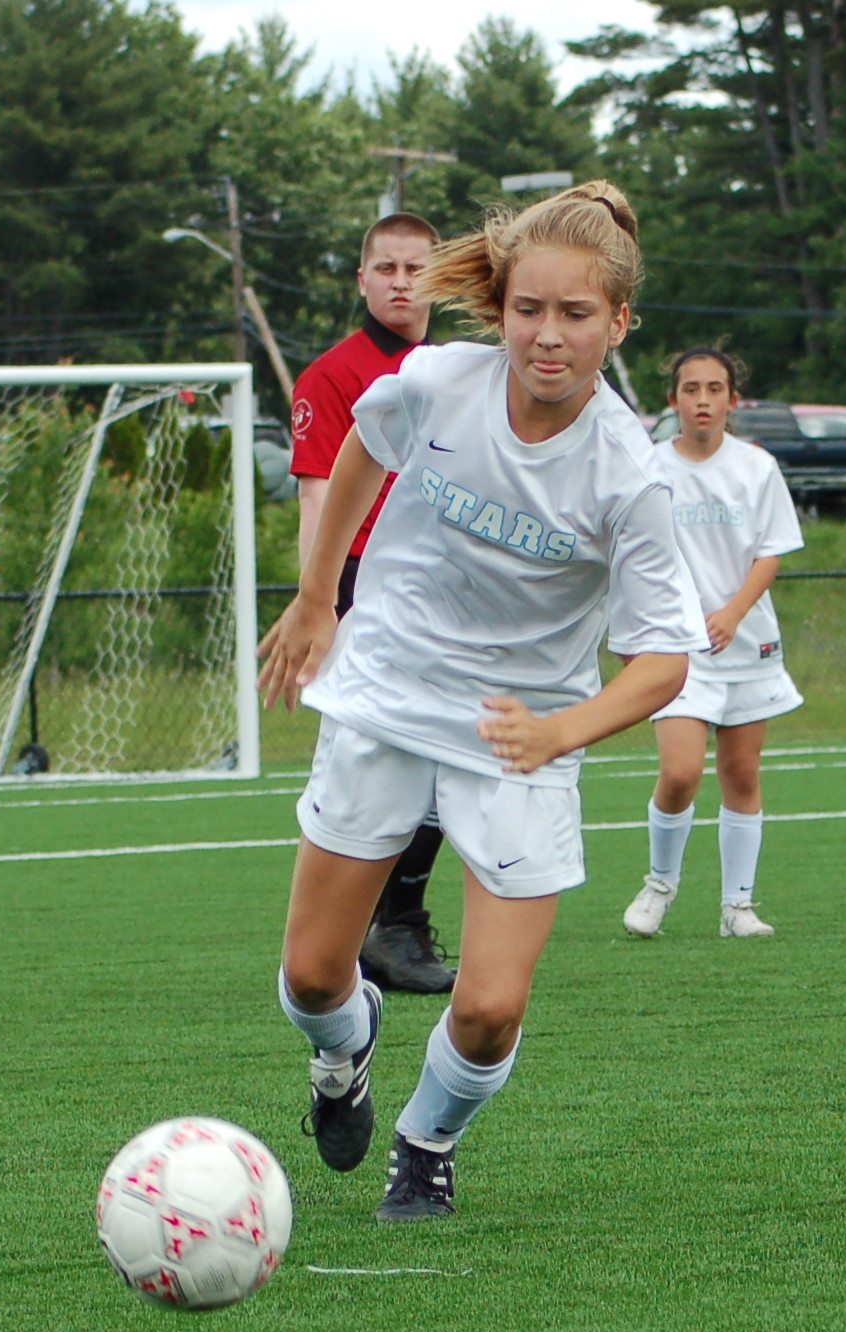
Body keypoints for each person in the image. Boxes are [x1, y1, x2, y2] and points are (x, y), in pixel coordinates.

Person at [259, 181, 702, 1220]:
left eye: (576, 314)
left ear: (618, 324)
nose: (547, 335)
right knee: (315, 977)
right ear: (499, 309)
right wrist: (318, 598)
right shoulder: (436, 382)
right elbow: (362, 445)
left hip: (518, 735)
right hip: (388, 690)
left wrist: (560, 731)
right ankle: (343, 1053)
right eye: (527, 309)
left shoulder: (629, 476)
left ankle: (426, 1142)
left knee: (492, 1006)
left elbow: (662, 662)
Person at [291, 210, 456, 994]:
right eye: (386, 268)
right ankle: (350, 932)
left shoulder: (460, 372)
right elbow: (317, 496)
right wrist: (317, 605)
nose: (401, 283)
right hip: (364, 583)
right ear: (362, 279)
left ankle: (395, 924)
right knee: (365, 762)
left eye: (415, 268)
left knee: (447, 757)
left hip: (446, 588)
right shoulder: (332, 375)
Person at [621, 345, 804, 940]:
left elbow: (770, 551)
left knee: (742, 774)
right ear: (672, 400)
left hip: (747, 645)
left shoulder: (757, 467)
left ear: (732, 400)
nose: (702, 400)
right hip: (676, 648)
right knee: (679, 772)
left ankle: (737, 907)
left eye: (714, 389)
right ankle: (659, 886)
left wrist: (732, 614)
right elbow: (628, 553)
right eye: (691, 389)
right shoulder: (648, 467)